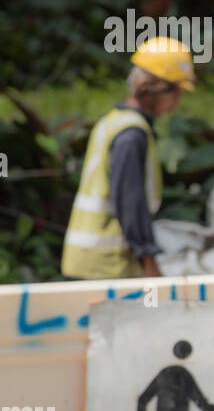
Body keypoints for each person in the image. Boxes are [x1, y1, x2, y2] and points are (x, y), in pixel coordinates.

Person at [61, 37, 195, 279]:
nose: (176, 103)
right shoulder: (131, 135)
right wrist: (148, 258)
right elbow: (130, 200)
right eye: (176, 93)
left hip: (92, 256)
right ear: (154, 87)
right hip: (108, 263)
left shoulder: (113, 121)